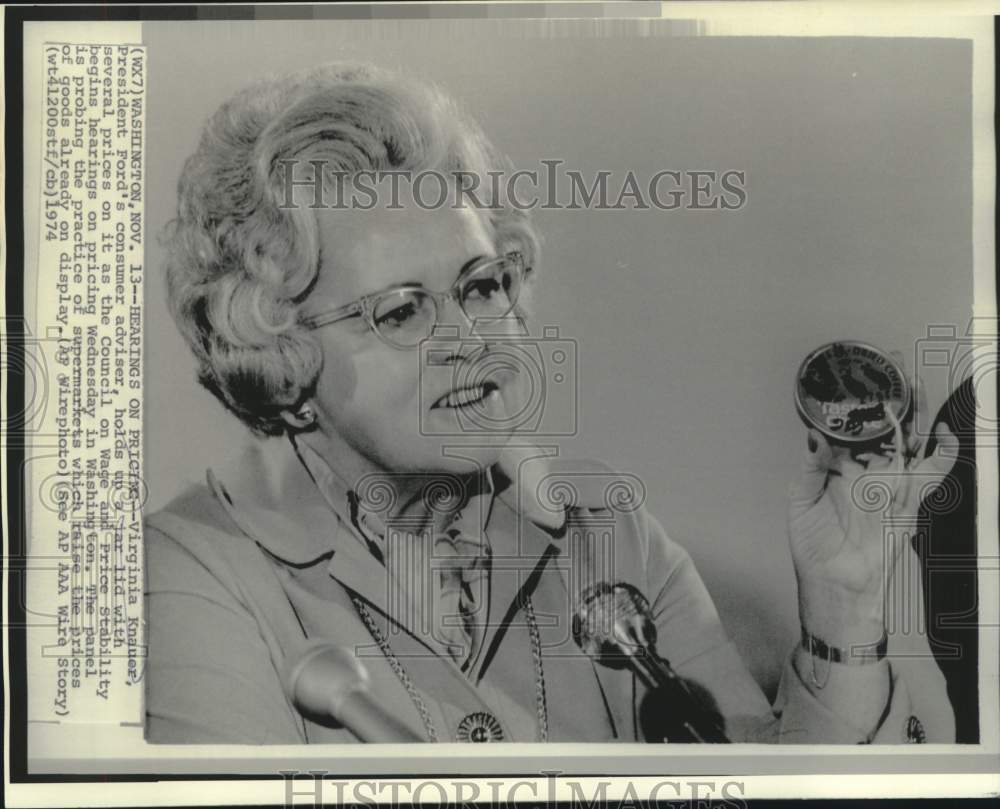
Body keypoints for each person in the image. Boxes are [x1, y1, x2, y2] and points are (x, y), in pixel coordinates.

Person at [145, 62, 958, 744]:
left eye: (480, 286)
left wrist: (844, 608)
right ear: (283, 357)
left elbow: (760, 787)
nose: (469, 337)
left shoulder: (607, 534)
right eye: (400, 311)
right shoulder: (192, 576)